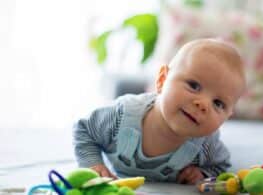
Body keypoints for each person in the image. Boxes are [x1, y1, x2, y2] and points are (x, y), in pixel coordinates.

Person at [73, 38, 246, 184]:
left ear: (227, 116)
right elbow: (84, 129)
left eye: (218, 103)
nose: (203, 104)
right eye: (194, 85)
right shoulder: (121, 115)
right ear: (162, 79)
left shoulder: (206, 145)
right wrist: (92, 163)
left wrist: (201, 173)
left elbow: (221, 165)